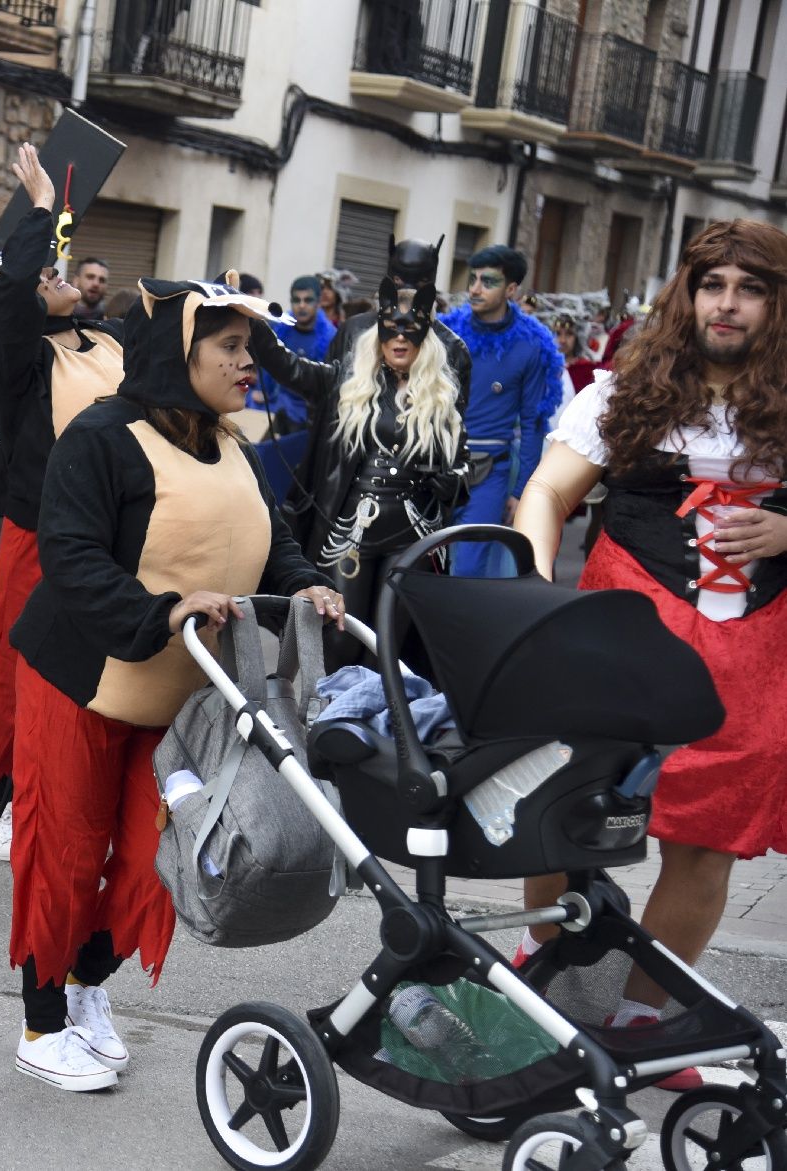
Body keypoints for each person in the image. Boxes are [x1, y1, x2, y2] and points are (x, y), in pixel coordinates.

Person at [7, 276, 339, 1091]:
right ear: (174, 352)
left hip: (185, 695)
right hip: (85, 679)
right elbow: (71, 556)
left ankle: (89, 986)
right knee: (69, 852)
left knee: (162, 857)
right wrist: (160, 611)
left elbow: (270, 539)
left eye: (247, 348)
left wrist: (306, 585)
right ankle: (40, 1024)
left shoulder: (235, 443)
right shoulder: (99, 436)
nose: (248, 363)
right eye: (229, 347)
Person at [513, 220, 787, 1091]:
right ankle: (542, 975)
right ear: (689, 294)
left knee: (707, 842)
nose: (729, 302)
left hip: (754, 648)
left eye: (749, 287)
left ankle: (644, 1018)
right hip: (625, 630)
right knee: (566, 802)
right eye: (714, 284)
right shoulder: (624, 393)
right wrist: (532, 586)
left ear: (775, 303)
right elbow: (548, 491)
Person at [0, 143, 126, 864]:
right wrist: (38, 204)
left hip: (108, 538)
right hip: (36, 536)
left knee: (97, 673)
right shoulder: (18, 357)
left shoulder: (103, 342)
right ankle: (7, 801)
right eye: (46, 275)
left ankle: (77, 803)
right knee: (18, 669)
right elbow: (18, 281)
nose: (57, 277)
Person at [251, 277, 467, 653]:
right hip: (352, 531)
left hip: (412, 532)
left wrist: (453, 482)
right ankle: (335, 711)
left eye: (410, 332)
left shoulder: (441, 397)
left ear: (425, 339)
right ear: (378, 336)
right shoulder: (347, 383)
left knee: (390, 641)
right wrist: (250, 319)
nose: (399, 340)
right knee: (339, 635)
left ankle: (384, 711)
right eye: (391, 332)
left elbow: (463, 465)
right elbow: (290, 367)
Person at [439, 246, 562, 577]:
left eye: (488, 281)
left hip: (488, 472)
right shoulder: (445, 332)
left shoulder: (533, 344)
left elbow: (535, 423)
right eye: (473, 279)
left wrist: (522, 492)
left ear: (511, 289)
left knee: (467, 568)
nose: (475, 289)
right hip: (433, 463)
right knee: (419, 562)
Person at [326, 237, 472, 394]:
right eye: (399, 280)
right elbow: (328, 391)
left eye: (421, 282)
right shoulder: (354, 330)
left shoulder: (450, 345)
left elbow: (454, 410)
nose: (408, 290)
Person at [253, 274, 335, 432]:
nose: (301, 305)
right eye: (296, 300)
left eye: (308, 300)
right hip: (273, 412)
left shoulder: (331, 337)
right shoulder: (277, 330)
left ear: (318, 302)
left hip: (307, 420)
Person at [72, 257, 111, 321]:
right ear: (76, 281)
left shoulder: (110, 320)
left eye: (102, 280)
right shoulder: (59, 315)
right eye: (90, 277)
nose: (96, 284)